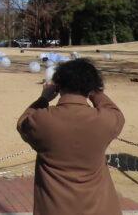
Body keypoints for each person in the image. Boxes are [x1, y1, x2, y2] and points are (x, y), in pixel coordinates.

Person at [17, 58, 125, 215]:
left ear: (58, 85)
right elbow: (116, 113)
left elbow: (23, 123)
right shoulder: (104, 120)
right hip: (99, 208)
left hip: (54, 208)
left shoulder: (42, 119)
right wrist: (95, 91)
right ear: (92, 86)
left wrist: (43, 99)